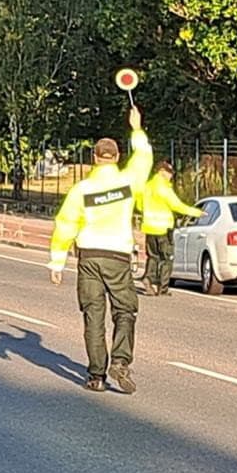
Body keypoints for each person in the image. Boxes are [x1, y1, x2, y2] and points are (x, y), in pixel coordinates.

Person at [48, 107, 153, 394]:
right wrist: (136, 127)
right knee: (126, 310)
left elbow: (66, 223)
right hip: (118, 256)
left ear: (94, 158)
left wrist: (56, 262)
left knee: (93, 315)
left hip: (89, 257)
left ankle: (96, 375)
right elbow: (144, 158)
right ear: (117, 158)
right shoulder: (128, 182)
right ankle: (120, 360)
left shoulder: (82, 189)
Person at [138, 160, 203, 296]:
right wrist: (196, 212)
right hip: (163, 228)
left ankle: (148, 279)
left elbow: (139, 206)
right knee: (167, 258)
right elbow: (176, 205)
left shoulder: (147, 186)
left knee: (153, 256)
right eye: (169, 173)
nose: (171, 176)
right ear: (161, 172)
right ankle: (163, 287)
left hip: (149, 227)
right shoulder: (163, 188)